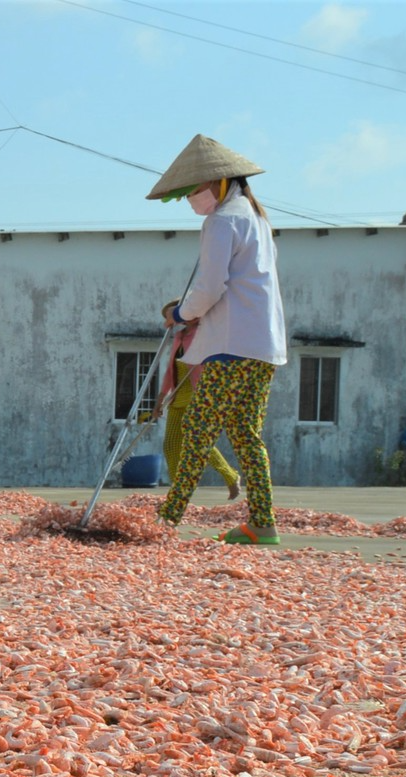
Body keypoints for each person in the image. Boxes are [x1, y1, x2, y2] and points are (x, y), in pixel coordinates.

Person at [147, 135, 287, 545]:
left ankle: (167, 518)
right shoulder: (257, 219)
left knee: (198, 430)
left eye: (195, 189)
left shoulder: (223, 221)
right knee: (245, 434)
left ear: (221, 183)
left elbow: (211, 286)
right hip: (262, 346)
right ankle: (262, 522)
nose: (192, 199)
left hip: (233, 345)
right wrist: (190, 308)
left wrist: (179, 314)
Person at [159, 310, 242, 504]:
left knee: (197, 440)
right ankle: (177, 492)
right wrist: (161, 398)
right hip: (178, 396)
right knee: (171, 445)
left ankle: (230, 476)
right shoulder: (179, 337)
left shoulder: (205, 333)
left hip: (199, 395)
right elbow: (170, 371)